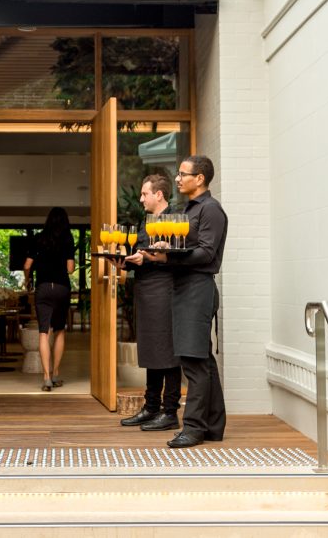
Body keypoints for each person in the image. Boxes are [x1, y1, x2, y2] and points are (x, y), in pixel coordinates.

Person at [144, 155, 228, 448]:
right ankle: (213, 426)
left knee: (194, 363)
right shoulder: (189, 209)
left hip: (197, 289)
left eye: (183, 174)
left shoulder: (211, 210)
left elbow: (206, 253)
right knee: (202, 360)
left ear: (200, 178)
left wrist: (168, 257)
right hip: (184, 288)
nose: (177, 179)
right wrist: (167, 246)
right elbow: (187, 245)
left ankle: (193, 428)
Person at [119, 174, 182, 431]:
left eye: (145, 194)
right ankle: (151, 407)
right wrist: (123, 262)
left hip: (165, 292)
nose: (141, 198)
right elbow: (140, 255)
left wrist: (146, 258)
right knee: (151, 350)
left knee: (167, 351)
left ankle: (170, 411)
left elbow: (177, 257)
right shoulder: (145, 223)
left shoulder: (175, 221)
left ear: (159, 194)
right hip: (145, 293)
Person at [24, 207, 76, 392]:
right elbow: (70, 269)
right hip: (62, 288)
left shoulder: (39, 238)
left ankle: (46, 378)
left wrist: (27, 279)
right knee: (60, 331)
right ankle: (55, 374)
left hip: (43, 288)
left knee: (44, 332)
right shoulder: (68, 238)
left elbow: (27, 265)